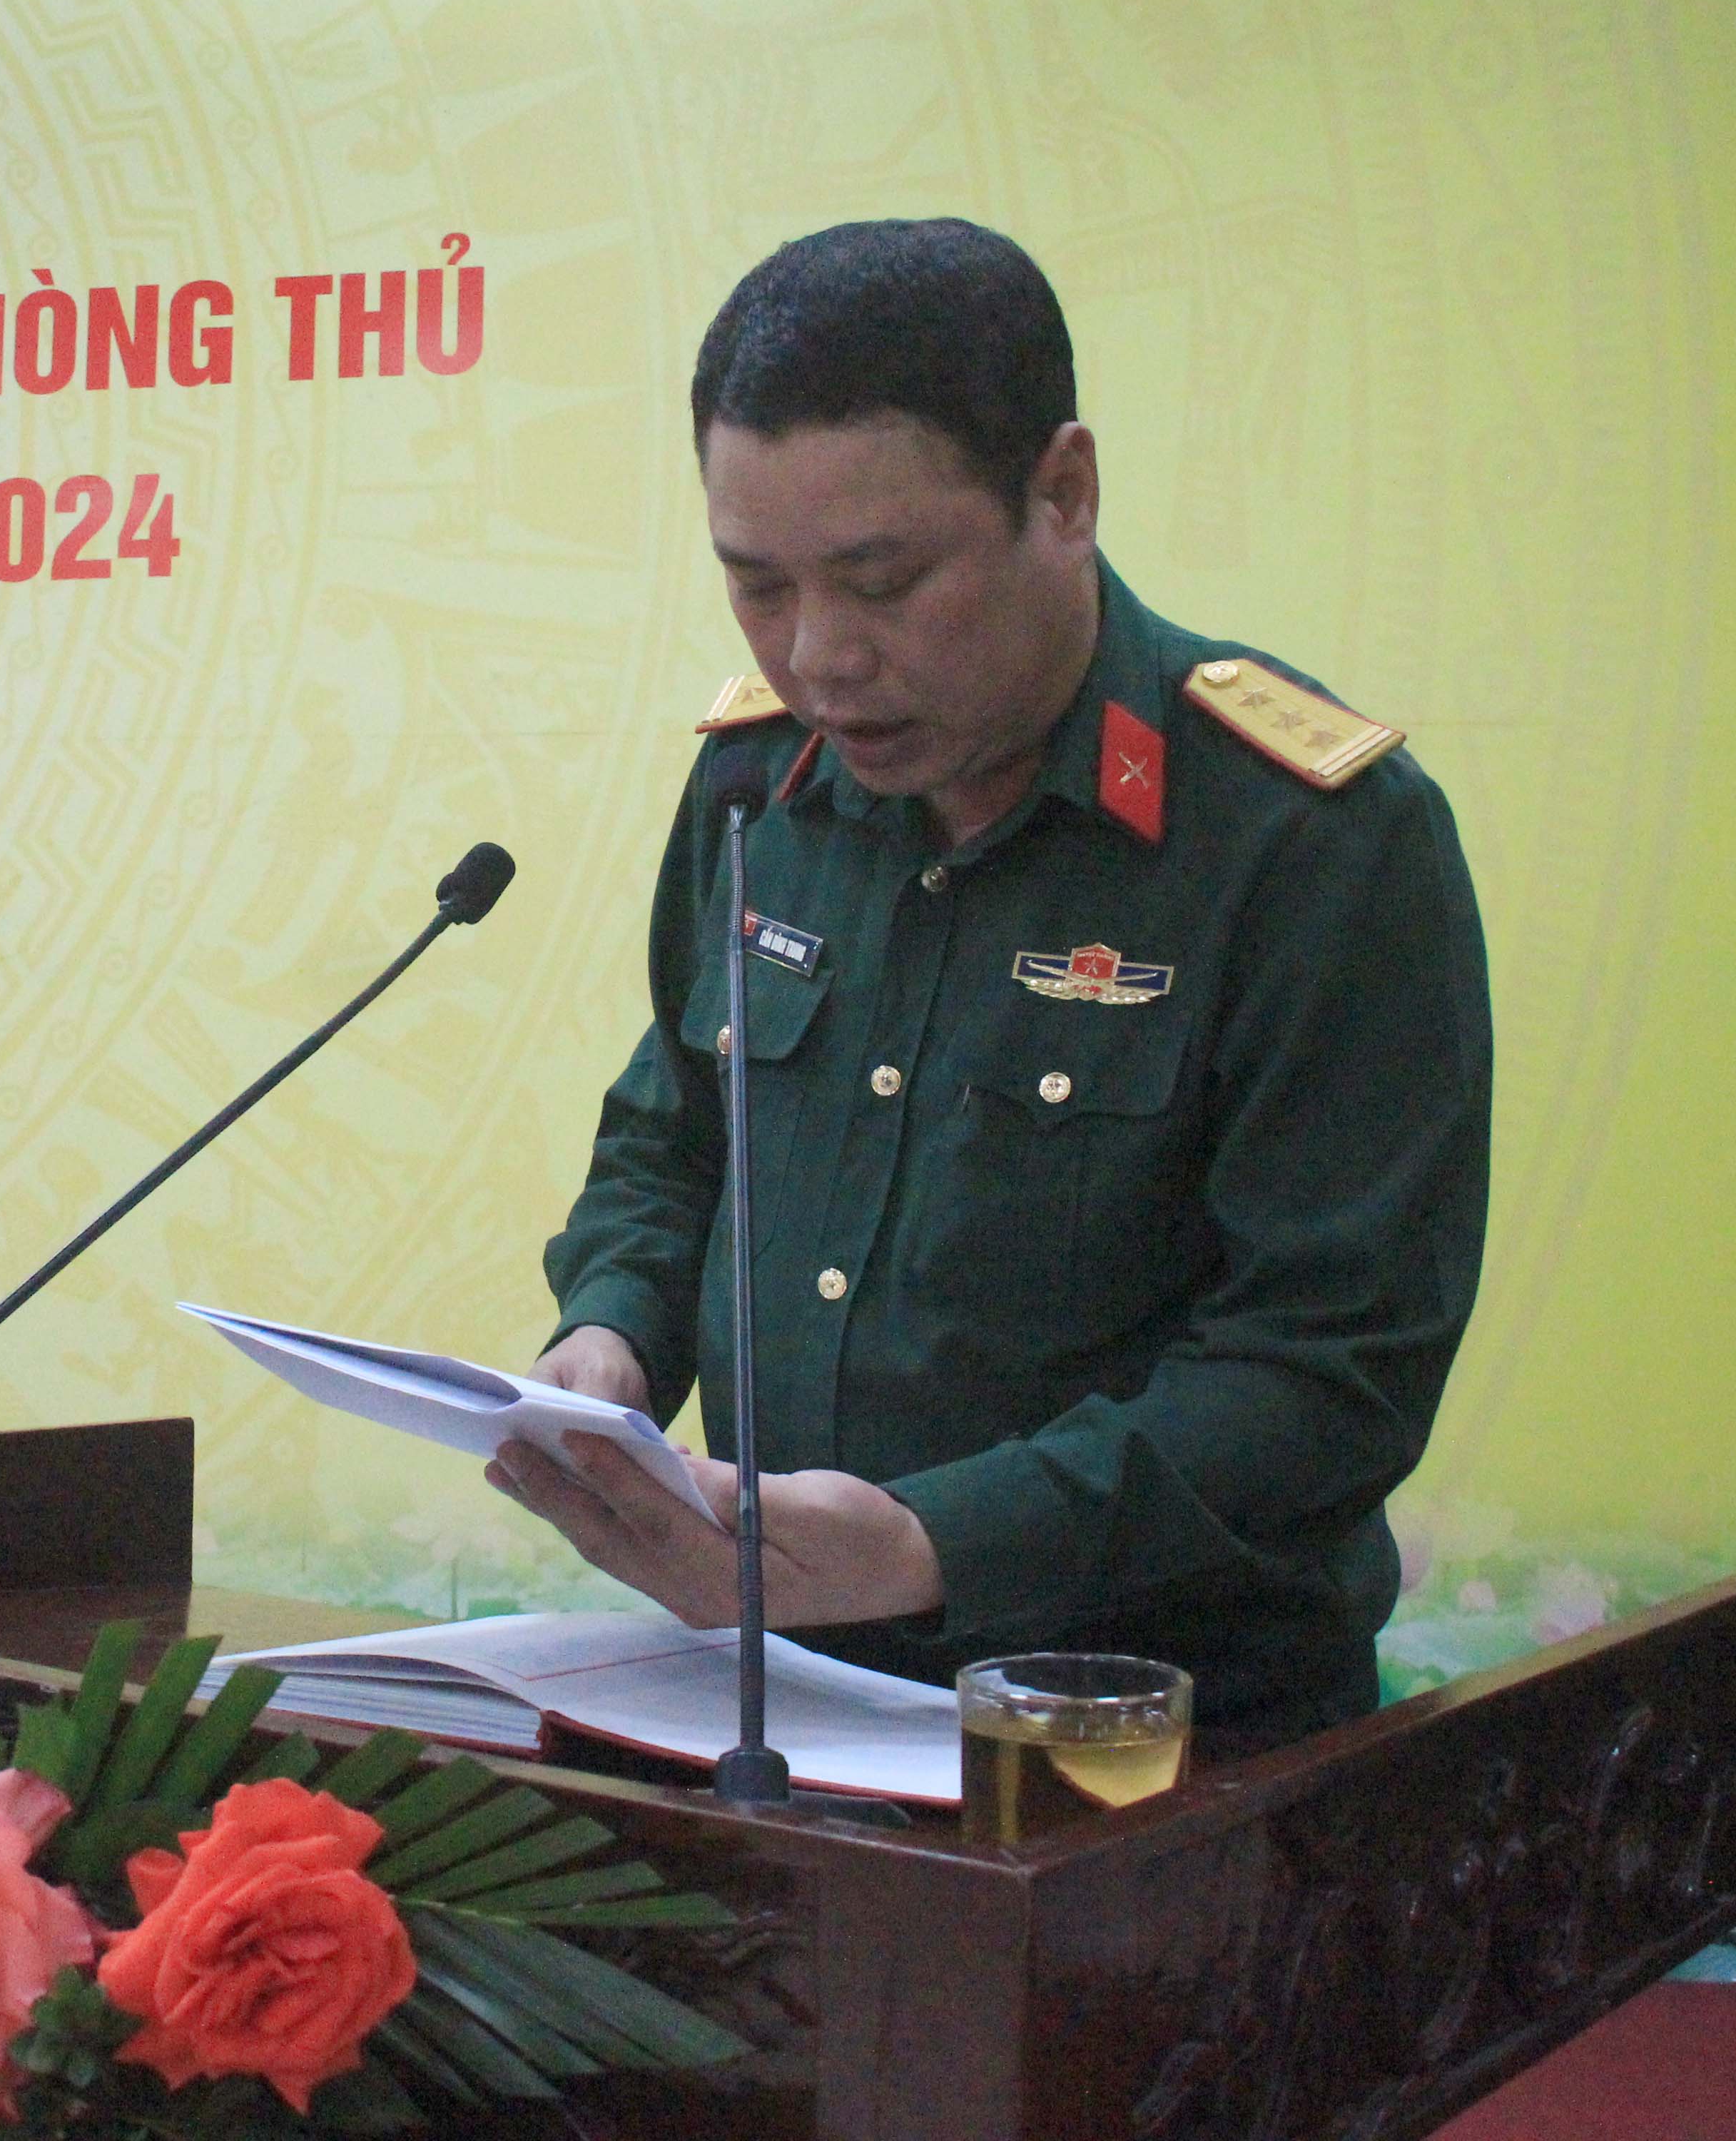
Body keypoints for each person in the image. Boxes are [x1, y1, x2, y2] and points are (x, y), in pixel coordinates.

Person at [492, 219, 1492, 1755]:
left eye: (884, 582)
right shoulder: (760, 790)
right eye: (757, 587)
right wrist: (611, 1337)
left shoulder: (1310, 842)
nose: (821, 657)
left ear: (1063, 495)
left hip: (1159, 1747)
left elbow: (1326, 1375)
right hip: (777, 1706)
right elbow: (676, 1139)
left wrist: (933, 1545)